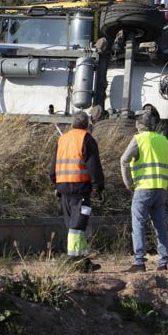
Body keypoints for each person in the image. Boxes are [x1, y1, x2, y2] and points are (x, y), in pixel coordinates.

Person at [120, 110, 168, 272]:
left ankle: (139, 262)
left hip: (143, 188)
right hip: (160, 189)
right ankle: (163, 262)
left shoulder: (139, 139)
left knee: (138, 223)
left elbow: (124, 160)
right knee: (160, 225)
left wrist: (128, 183)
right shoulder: (164, 141)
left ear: (139, 126)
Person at [50, 111, 104, 266]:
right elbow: (93, 165)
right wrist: (98, 187)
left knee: (74, 224)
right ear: (87, 124)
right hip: (79, 187)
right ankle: (74, 259)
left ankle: (83, 260)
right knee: (77, 224)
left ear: (72, 123)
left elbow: (54, 164)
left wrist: (55, 181)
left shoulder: (62, 139)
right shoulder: (86, 139)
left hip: (64, 187)